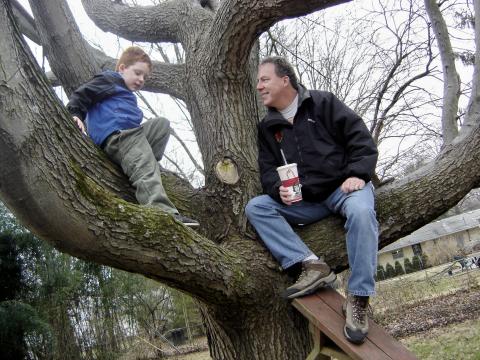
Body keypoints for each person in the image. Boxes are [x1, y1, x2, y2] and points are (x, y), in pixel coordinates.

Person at [245, 56, 379, 344]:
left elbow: (360, 139)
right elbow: (268, 171)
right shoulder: (267, 127)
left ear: (285, 80)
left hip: (345, 189)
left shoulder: (323, 103)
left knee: (362, 214)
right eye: (258, 82)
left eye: (264, 79)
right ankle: (310, 264)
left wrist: (358, 173)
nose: (259, 87)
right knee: (256, 207)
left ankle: (358, 299)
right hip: (307, 202)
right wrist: (276, 189)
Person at [67, 46, 198, 227]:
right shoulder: (109, 80)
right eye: (137, 73)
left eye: (144, 77)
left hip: (131, 137)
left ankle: (142, 163)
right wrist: (76, 114)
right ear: (122, 68)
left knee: (162, 125)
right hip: (117, 137)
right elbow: (83, 94)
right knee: (142, 161)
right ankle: (163, 213)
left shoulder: (126, 94)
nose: (141, 79)